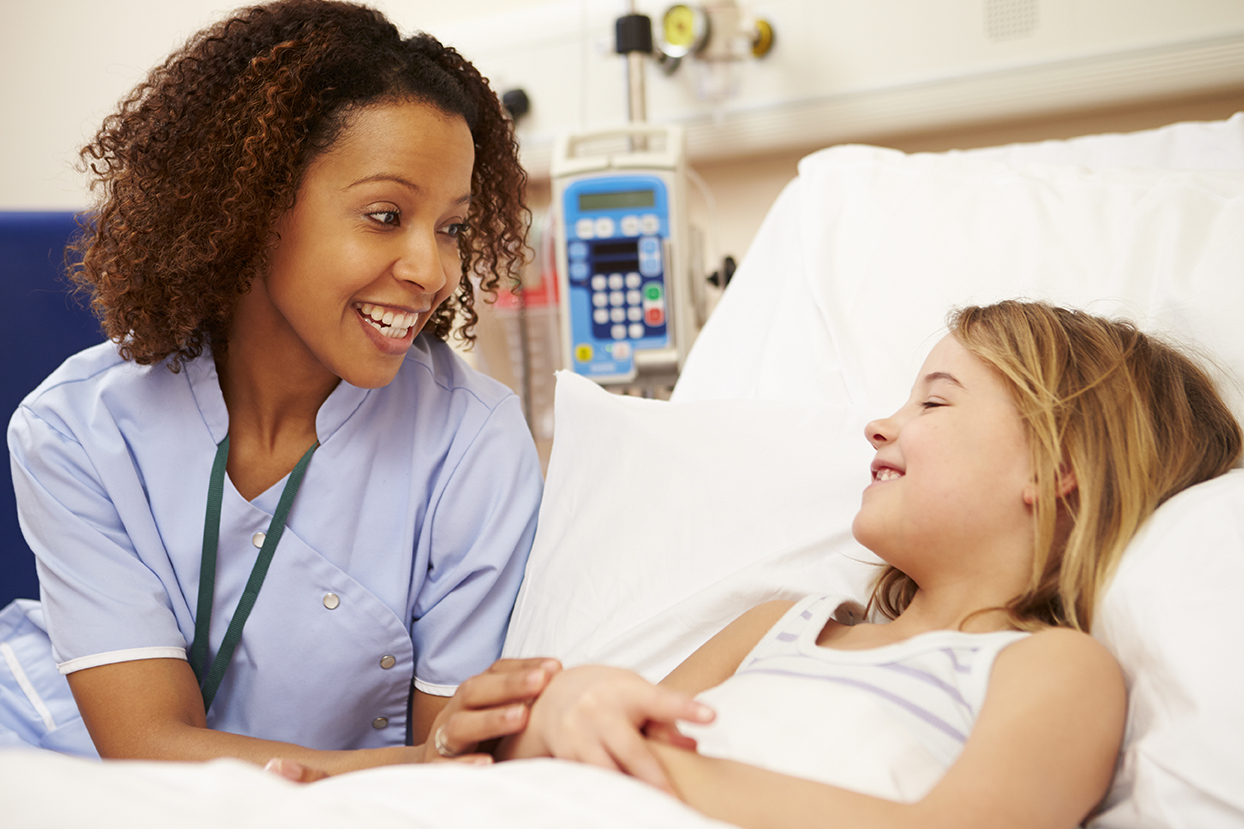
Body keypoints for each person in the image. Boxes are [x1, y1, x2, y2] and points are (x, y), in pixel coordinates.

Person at [3, 0, 560, 774]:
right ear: (253, 204)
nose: (432, 271)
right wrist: (412, 764)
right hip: (52, 757)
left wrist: (412, 766)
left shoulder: (474, 444)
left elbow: (459, 771)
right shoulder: (75, 430)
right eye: (384, 214)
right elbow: (146, 748)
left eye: (451, 227)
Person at [499, 300, 1243, 827]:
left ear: (1056, 466)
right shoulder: (777, 625)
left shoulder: (1051, 668)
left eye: (936, 404)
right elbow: (582, 745)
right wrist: (563, 711)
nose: (880, 423)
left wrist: (649, 769)